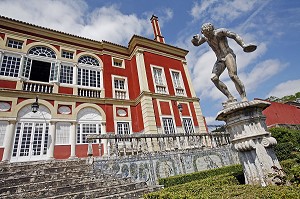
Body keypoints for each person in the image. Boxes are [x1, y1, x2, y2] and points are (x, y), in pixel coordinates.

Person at [191, 23, 256, 103]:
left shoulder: (220, 32)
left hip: (228, 55)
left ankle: (243, 97)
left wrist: (243, 45)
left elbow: (234, 36)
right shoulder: (206, 37)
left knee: (233, 76)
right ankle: (230, 97)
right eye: (206, 35)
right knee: (214, 78)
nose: (208, 36)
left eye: (209, 34)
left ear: (212, 30)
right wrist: (194, 39)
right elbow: (197, 44)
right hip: (220, 59)